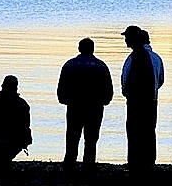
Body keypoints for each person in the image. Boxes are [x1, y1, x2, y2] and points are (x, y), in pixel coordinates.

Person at [57, 37, 114, 173]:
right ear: (92, 49)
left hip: (74, 106)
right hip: (95, 107)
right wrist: (105, 100)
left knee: (72, 137)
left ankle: (69, 164)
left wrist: (64, 99)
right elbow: (108, 88)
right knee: (91, 138)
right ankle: (88, 165)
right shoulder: (101, 66)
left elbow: (61, 86)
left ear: (79, 49)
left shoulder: (70, 65)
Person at [120, 25, 164, 173]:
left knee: (133, 132)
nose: (125, 40)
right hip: (152, 100)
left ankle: (134, 162)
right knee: (149, 131)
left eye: (127, 37)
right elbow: (161, 80)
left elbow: (125, 79)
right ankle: (149, 162)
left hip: (135, 102)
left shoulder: (132, 58)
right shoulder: (156, 58)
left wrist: (126, 92)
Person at [0, 75, 32, 171]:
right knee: (4, 158)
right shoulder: (22, 104)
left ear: (2, 86)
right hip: (12, 139)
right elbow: (26, 124)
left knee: (0, 158)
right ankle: (4, 162)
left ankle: (1, 163)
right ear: (16, 88)